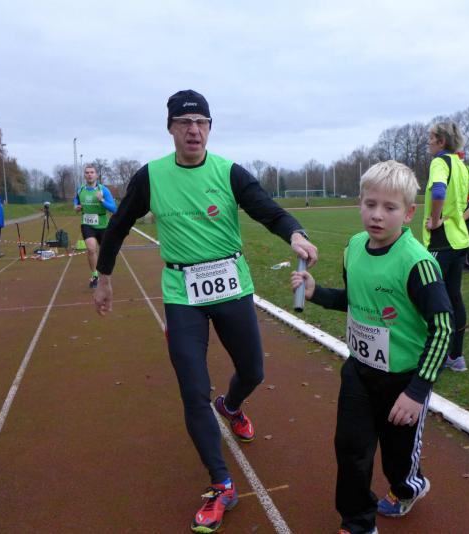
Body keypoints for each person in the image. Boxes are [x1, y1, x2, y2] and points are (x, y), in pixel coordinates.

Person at [93, 89, 317, 534]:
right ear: (171, 129)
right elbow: (117, 227)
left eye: (201, 122)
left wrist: (294, 233)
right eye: (184, 122)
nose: (193, 130)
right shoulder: (151, 176)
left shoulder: (229, 172)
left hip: (231, 286)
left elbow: (269, 212)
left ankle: (231, 406)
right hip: (182, 294)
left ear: (210, 128)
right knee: (193, 390)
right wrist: (104, 277)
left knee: (253, 372)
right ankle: (221, 484)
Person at [291, 160, 453, 534]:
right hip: (359, 373)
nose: (377, 215)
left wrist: (417, 391)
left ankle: (409, 487)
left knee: (397, 462)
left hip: (402, 382)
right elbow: (355, 300)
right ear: (360, 203)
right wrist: (317, 293)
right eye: (370, 204)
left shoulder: (417, 263)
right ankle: (358, 523)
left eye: (389, 207)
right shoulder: (353, 247)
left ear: (409, 213)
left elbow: (443, 329)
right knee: (350, 449)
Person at [422, 123, 469, 372]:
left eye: (431, 138)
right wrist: (461, 218)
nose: (428, 142)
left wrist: (436, 220)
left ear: (441, 141)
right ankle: (456, 356)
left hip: (441, 242)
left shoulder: (440, 162)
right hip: (460, 242)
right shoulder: (462, 166)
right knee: (454, 297)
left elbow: (439, 192)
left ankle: (435, 357)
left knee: (431, 298)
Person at [74, 164, 117, 288]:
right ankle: (94, 275)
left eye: (92, 172)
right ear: (84, 175)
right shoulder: (80, 189)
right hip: (87, 224)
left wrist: (102, 200)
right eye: (87, 172)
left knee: (105, 252)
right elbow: (76, 199)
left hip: (103, 225)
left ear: (96, 175)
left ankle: (104, 274)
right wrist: (76, 206)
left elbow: (114, 209)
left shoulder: (104, 190)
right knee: (91, 249)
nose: (89, 175)